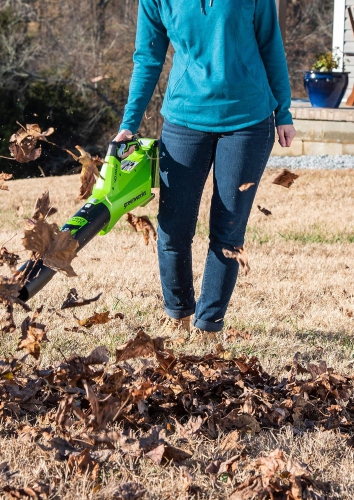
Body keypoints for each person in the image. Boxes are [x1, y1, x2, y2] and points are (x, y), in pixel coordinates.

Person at [114, 0, 296, 336]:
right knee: (172, 228)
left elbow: (271, 46)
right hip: (184, 118)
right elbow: (148, 58)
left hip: (248, 121)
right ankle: (179, 314)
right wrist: (130, 122)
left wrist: (283, 112)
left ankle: (208, 325)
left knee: (228, 230)